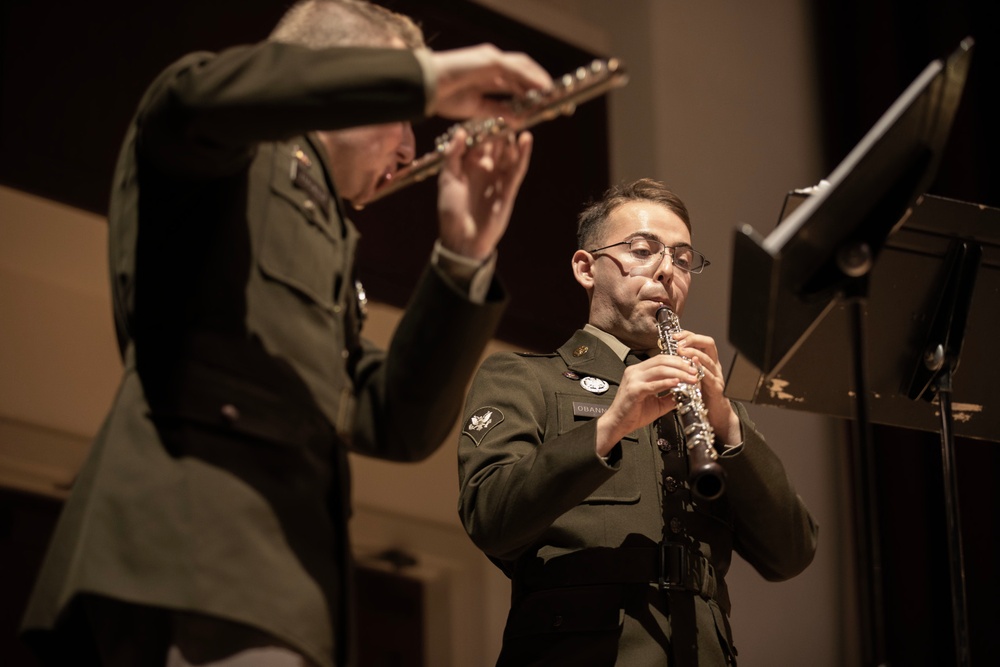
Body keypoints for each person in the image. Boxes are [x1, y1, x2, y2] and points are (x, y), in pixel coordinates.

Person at [21, 1, 552, 666]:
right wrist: (426, 78)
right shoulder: (224, 149)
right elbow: (193, 99)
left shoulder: (327, 230)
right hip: (188, 562)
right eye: (398, 110)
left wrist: (461, 255)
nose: (413, 147)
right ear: (327, 78)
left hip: (282, 591)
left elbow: (392, 418)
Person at [457, 178, 818, 665]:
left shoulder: (708, 408)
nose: (668, 271)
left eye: (684, 259)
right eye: (644, 250)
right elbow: (489, 517)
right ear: (587, 268)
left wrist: (727, 421)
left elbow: (791, 554)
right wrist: (610, 425)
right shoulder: (525, 377)